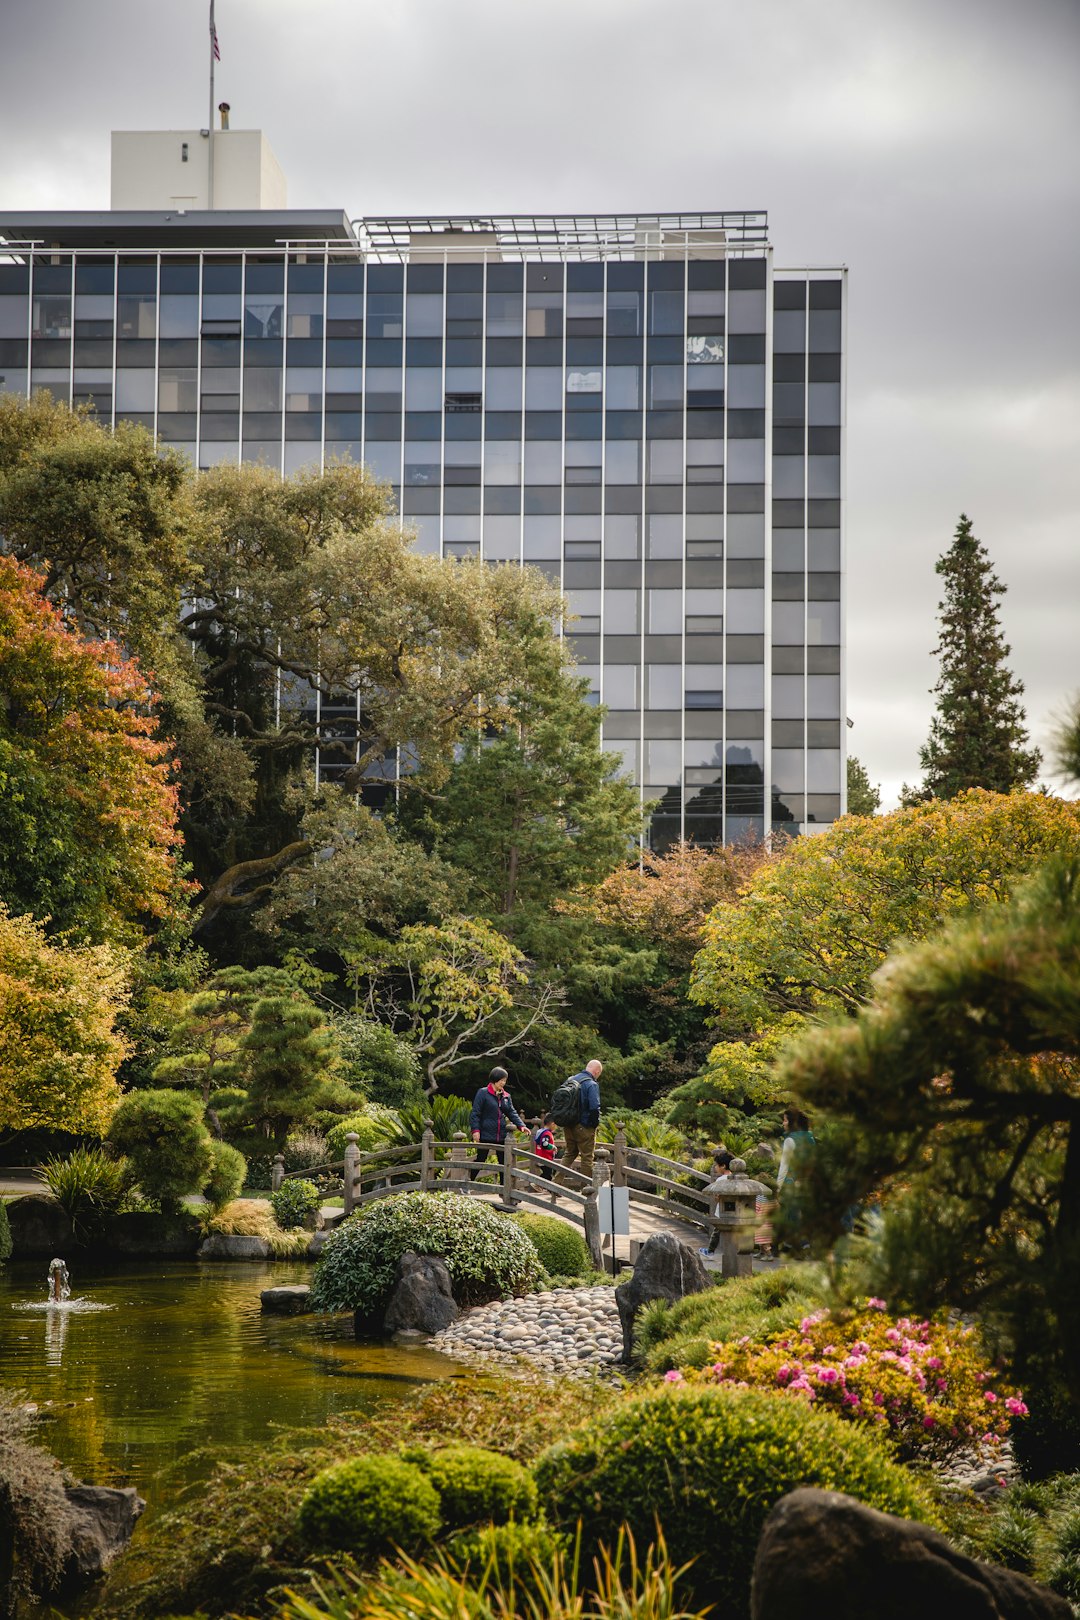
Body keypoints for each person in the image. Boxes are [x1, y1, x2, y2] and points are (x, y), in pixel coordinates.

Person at [469, 1066, 527, 1178]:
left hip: (501, 1134)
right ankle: (467, 1183)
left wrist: (521, 1126)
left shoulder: (506, 1096)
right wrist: (475, 1130)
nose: (503, 1083)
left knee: (504, 1162)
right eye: (501, 1080)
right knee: (481, 1159)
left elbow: (511, 1112)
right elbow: (475, 1113)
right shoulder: (483, 1093)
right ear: (495, 1079)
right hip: (485, 1133)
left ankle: (503, 1189)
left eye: (505, 1081)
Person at [554, 1059, 602, 1185]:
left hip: (568, 1124)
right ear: (597, 1071)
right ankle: (586, 1190)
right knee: (587, 1157)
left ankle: (556, 1183)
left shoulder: (570, 1080)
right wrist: (594, 1124)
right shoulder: (591, 1084)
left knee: (569, 1153)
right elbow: (594, 1107)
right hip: (584, 1126)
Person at [776, 1107, 815, 1249]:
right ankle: (804, 1245)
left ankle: (798, 1245)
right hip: (809, 1182)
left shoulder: (790, 1140)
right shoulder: (810, 1137)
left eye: (785, 1120)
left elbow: (784, 1166)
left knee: (792, 1214)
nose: (783, 1123)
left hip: (792, 1182)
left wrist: (778, 1187)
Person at [699, 1146, 734, 1258]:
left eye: (716, 1165)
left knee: (717, 1232)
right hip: (734, 1210)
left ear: (723, 1166)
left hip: (723, 1210)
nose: (715, 1167)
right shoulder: (735, 1177)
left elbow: (717, 1197)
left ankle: (710, 1251)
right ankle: (732, 1251)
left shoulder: (720, 1180)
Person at [531, 1112, 558, 1181]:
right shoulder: (547, 1133)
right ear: (552, 1124)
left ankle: (542, 1187)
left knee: (546, 1174)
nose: (556, 1127)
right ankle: (538, 1184)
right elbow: (544, 1144)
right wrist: (552, 1147)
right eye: (556, 1125)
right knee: (547, 1175)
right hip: (545, 1158)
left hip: (540, 1156)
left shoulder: (541, 1131)